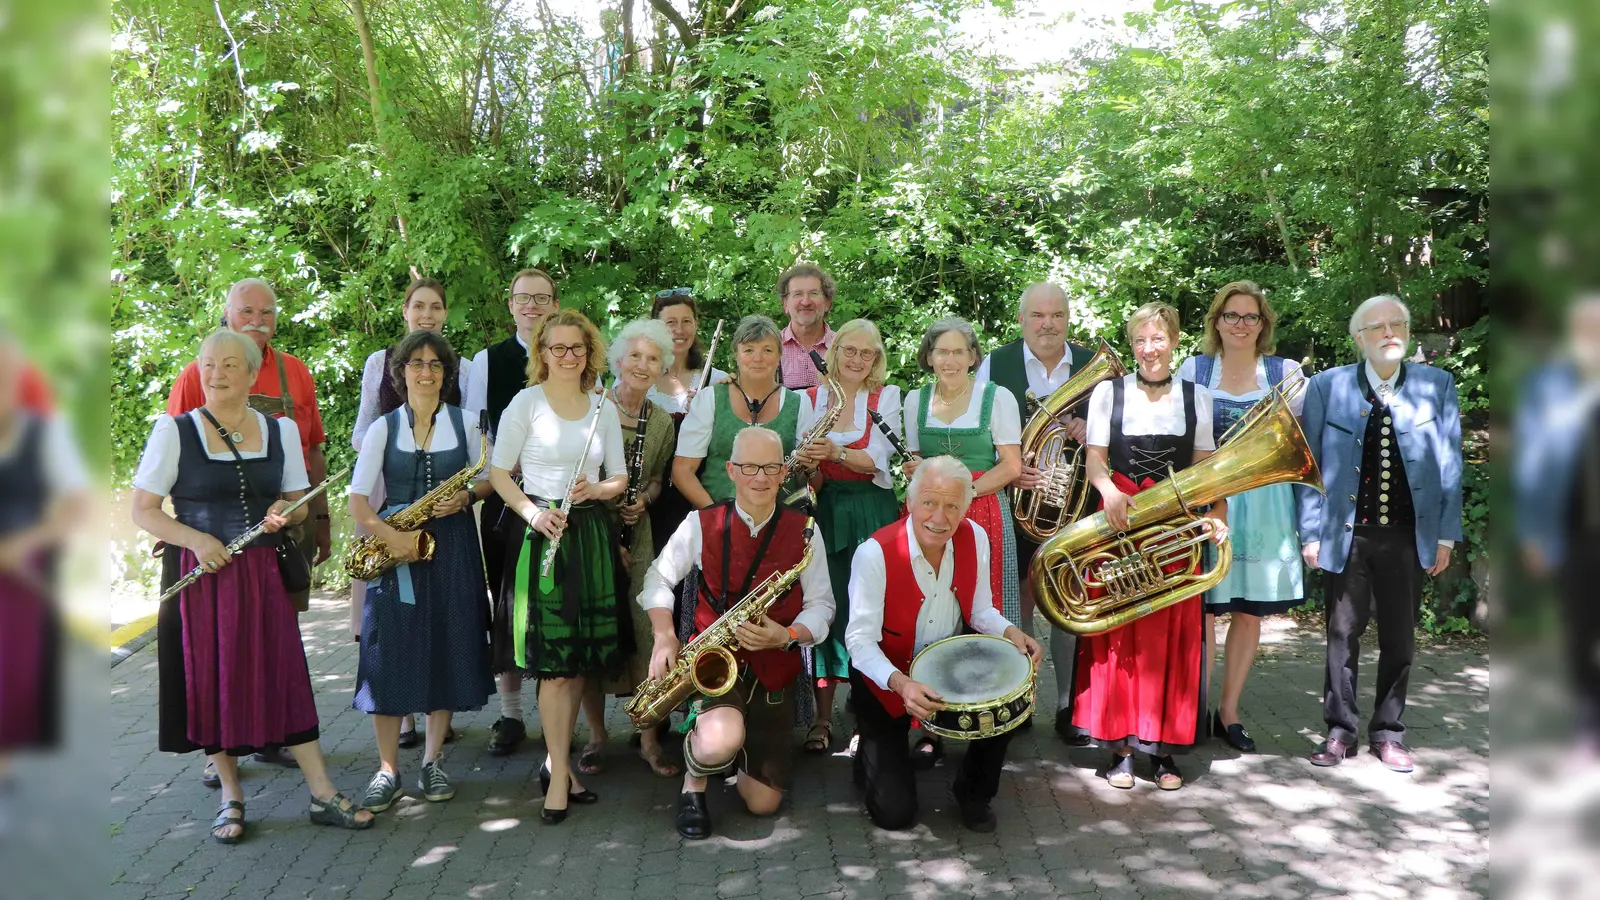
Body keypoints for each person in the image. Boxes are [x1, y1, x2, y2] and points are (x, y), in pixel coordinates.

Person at [132, 329, 375, 843]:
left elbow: (299, 501)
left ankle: (322, 791)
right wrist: (196, 540)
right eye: (207, 365)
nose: (216, 374)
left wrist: (283, 514)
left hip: (262, 575)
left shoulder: (281, 430)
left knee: (285, 674)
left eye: (228, 365)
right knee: (212, 681)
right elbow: (145, 511)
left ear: (249, 373)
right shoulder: (173, 432)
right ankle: (231, 796)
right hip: (203, 581)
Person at [165, 277, 329, 777]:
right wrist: (182, 535)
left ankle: (272, 730)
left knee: (276, 636)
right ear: (226, 314)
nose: (257, 320)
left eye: (267, 312)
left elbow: (314, 449)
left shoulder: (296, 373)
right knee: (221, 644)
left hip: (285, 522)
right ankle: (225, 747)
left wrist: (319, 524)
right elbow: (178, 462)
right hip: (216, 538)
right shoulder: (197, 373)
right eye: (246, 311)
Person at [637, 427, 835, 840]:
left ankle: (733, 752)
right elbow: (656, 578)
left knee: (762, 806)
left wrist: (788, 634)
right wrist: (664, 634)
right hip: (713, 662)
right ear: (731, 470)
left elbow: (823, 607)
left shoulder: (805, 531)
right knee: (719, 740)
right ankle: (695, 781)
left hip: (773, 670)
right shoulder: (700, 523)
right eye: (749, 467)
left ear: (784, 473)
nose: (760, 478)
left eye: (770, 468)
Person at [1301, 294, 1462, 774]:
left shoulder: (1437, 385)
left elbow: (1451, 465)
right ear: (1359, 339)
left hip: (1409, 536)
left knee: (1400, 638)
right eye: (1379, 326)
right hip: (1345, 535)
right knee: (1341, 633)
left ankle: (1389, 733)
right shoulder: (1327, 387)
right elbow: (1307, 465)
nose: (1390, 332)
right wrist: (1311, 532)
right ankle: (1339, 731)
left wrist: (1447, 537)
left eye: (1399, 324)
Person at [1070, 302, 1228, 791]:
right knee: (1120, 634)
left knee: (1168, 638)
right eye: (1140, 339)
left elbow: (1206, 471)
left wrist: (1217, 517)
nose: (1149, 348)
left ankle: (1162, 753)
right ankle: (1120, 750)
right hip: (1118, 523)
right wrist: (1110, 492)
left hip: (1173, 527)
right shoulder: (1105, 393)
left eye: (1158, 338)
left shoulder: (1197, 397)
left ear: (1175, 341)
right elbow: (1095, 460)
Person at [846, 455, 1042, 832]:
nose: (940, 517)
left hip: (952, 669)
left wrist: (1011, 633)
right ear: (910, 502)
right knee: (895, 815)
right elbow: (858, 640)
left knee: (1006, 698)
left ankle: (974, 791)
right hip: (888, 679)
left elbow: (981, 609)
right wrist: (901, 684)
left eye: (953, 505)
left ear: (966, 507)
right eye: (930, 503)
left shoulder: (976, 537)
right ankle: (872, 742)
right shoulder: (874, 553)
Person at [488, 308, 629, 823]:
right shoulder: (525, 403)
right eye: (557, 348)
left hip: (588, 533)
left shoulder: (602, 408)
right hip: (542, 532)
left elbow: (618, 478)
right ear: (542, 354)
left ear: (588, 353)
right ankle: (555, 780)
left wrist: (597, 488)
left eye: (577, 348)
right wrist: (531, 512)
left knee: (574, 669)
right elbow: (500, 474)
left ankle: (560, 767)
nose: (567, 357)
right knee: (554, 668)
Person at [349, 330, 496, 812]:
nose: (426, 372)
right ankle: (388, 767)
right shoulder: (381, 428)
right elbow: (357, 502)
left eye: (435, 364)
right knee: (388, 652)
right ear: (402, 372)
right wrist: (396, 540)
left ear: (447, 374)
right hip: (395, 548)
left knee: (446, 643)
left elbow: (493, 477)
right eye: (417, 363)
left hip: (452, 546)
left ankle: (432, 761)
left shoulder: (469, 423)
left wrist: (470, 495)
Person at [1176, 281, 1306, 754]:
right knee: (1204, 608)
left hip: (1267, 498)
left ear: (1263, 324)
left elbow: (1298, 444)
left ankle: (1228, 712)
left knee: (1249, 610)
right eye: (1231, 316)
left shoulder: (1285, 372)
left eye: (1250, 317)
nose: (1241, 325)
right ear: (1216, 322)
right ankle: (1194, 708)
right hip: (1210, 497)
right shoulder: (1194, 368)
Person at [974, 281, 1095, 743]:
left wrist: (1093, 424)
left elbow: (1119, 430)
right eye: (1038, 315)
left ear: (1068, 319)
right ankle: (1020, 698)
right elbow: (980, 427)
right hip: (1016, 505)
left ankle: (1069, 706)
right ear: (1022, 320)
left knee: (1069, 603)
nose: (1048, 324)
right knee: (1016, 600)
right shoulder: (995, 363)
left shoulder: (1092, 367)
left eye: (1057, 315)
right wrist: (1011, 468)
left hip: (1079, 507)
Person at [350, 277, 468, 748]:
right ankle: (398, 729)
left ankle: (435, 752)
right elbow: (363, 432)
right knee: (392, 633)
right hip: (389, 499)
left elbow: (481, 453)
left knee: (444, 628)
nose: (426, 313)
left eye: (435, 306)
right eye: (418, 305)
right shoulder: (378, 367)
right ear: (404, 310)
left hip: (447, 509)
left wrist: (463, 492)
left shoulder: (462, 372)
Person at [463, 267, 562, 758]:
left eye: (541, 298)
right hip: (508, 496)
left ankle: (555, 712)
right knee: (507, 601)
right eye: (524, 298)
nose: (532, 306)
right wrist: (503, 462)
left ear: (554, 303)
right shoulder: (487, 360)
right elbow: (476, 428)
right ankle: (511, 712)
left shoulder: (570, 353)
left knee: (550, 600)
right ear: (510, 305)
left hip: (561, 499)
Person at [793, 319, 903, 755]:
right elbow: (809, 476)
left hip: (872, 510)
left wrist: (835, 451)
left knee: (872, 611)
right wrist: (810, 465)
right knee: (826, 606)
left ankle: (866, 714)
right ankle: (821, 718)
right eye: (849, 350)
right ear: (834, 353)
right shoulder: (809, 399)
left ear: (877, 359)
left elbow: (877, 459)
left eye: (867, 353)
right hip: (825, 511)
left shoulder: (887, 397)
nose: (858, 359)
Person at [0, 338, 88, 817]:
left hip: (24, 581)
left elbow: (76, 508)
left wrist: (27, 543)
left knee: (14, 686)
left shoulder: (47, 433)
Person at [596, 319, 681, 777]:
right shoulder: (593, 409)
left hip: (639, 534)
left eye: (653, 359)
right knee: (595, 632)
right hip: (592, 533)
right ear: (618, 361)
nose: (643, 365)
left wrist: (644, 500)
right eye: (635, 356)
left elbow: (657, 479)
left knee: (647, 631)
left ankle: (649, 739)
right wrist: (609, 539)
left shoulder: (662, 420)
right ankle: (595, 737)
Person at [1517, 294, 1600, 757]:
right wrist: (1533, 531)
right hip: (1571, 532)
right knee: (1579, 630)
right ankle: (1587, 725)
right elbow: (1533, 460)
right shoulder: (1548, 385)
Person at [673, 315, 806, 512]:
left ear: (780, 355)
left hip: (780, 522)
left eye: (767, 350)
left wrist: (811, 468)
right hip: (718, 519)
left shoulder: (800, 403)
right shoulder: (710, 399)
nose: (758, 358)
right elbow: (682, 471)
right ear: (736, 354)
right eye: (748, 350)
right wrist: (717, 516)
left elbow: (809, 480)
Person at [776, 264, 836, 390]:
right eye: (797, 294)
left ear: (827, 303)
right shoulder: (769, 349)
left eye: (814, 293)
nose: (806, 302)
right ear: (785, 303)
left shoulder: (844, 349)